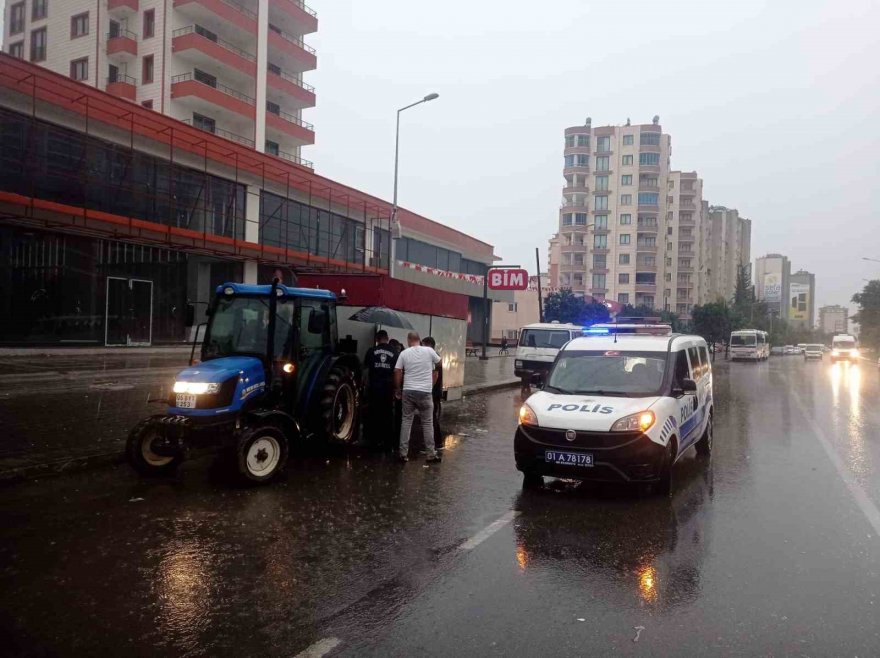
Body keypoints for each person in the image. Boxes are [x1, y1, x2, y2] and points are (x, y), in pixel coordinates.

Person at [394, 332, 441, 464]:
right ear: (419, 340)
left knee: (406, 422)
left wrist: (398, 389)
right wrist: (430, 383)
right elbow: (439, 364)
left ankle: (403, 454)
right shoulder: (429, 351)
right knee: (427, 424)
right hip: (425, 392)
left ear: (409, 340)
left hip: (408, 391)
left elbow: (397, 371)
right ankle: (431, 454)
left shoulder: (404, 353)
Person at [363, 330, 397, 449]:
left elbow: (366, 372)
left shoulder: (371, 351)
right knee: (387, 414)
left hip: (374, 388)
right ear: (387, 338)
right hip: (388, 388)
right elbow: (397, 372)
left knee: (374, 414)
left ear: (377, 339)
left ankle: (374, 441)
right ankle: (387, 442)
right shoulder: (394, 352)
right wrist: (396, 388)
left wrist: (365, 388)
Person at [421, 336, 444, 452]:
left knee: (431, 418)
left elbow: (434, 375)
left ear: (429, 345)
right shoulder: (435, 356)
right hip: (434, 392)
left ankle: (436, 443)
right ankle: (437, 443)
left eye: (423, 345)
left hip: (433, 392)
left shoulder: (433, 357)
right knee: (431, 417)